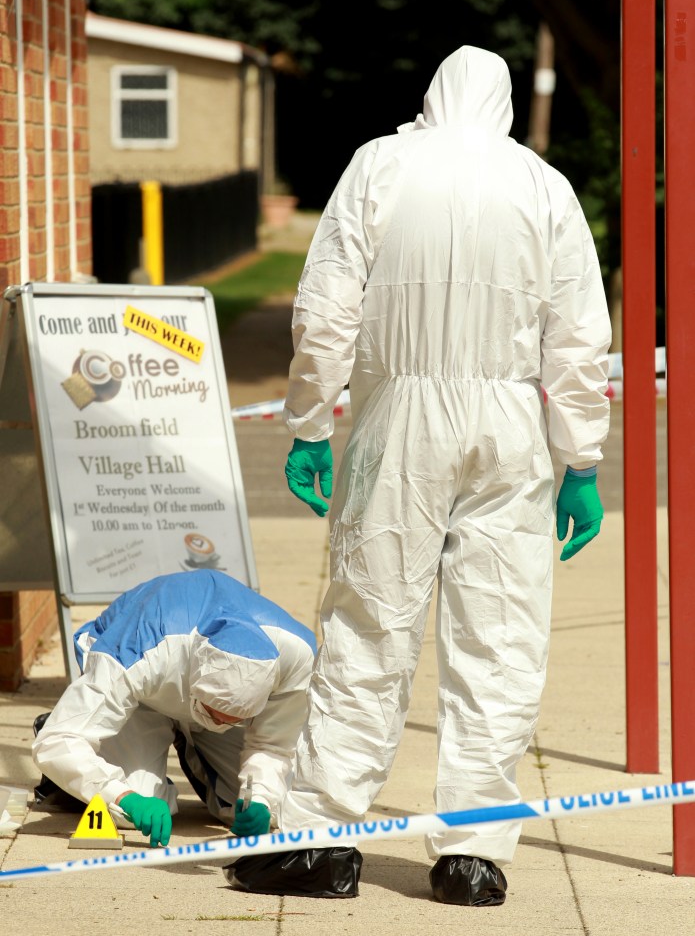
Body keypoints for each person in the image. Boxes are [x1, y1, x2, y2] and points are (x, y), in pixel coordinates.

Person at [226, 45, 612, 905]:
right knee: (501, 634)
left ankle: (325, 838)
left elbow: (325, 305)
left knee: (368, 623)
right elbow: (580, 337)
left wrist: (307, 423)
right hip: (510, 423)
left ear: (431, 95)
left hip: (398, 415)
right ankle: (474, 853)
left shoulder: (380, 165)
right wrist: (580, 459)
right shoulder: (542, 185)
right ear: (505, 103)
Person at [32, 570, 317, 848]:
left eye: (234, 719)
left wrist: (262, 799)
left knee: (273, 804)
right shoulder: (137, 653)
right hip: (140, 695)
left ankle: (187, 738)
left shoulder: (297, 658)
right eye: (213, 714)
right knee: (129, 809)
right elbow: (56, 742)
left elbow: (274, 744)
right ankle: (85, 729)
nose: (219, 725)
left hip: (181, 687)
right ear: (193, 683)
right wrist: (123, 796)